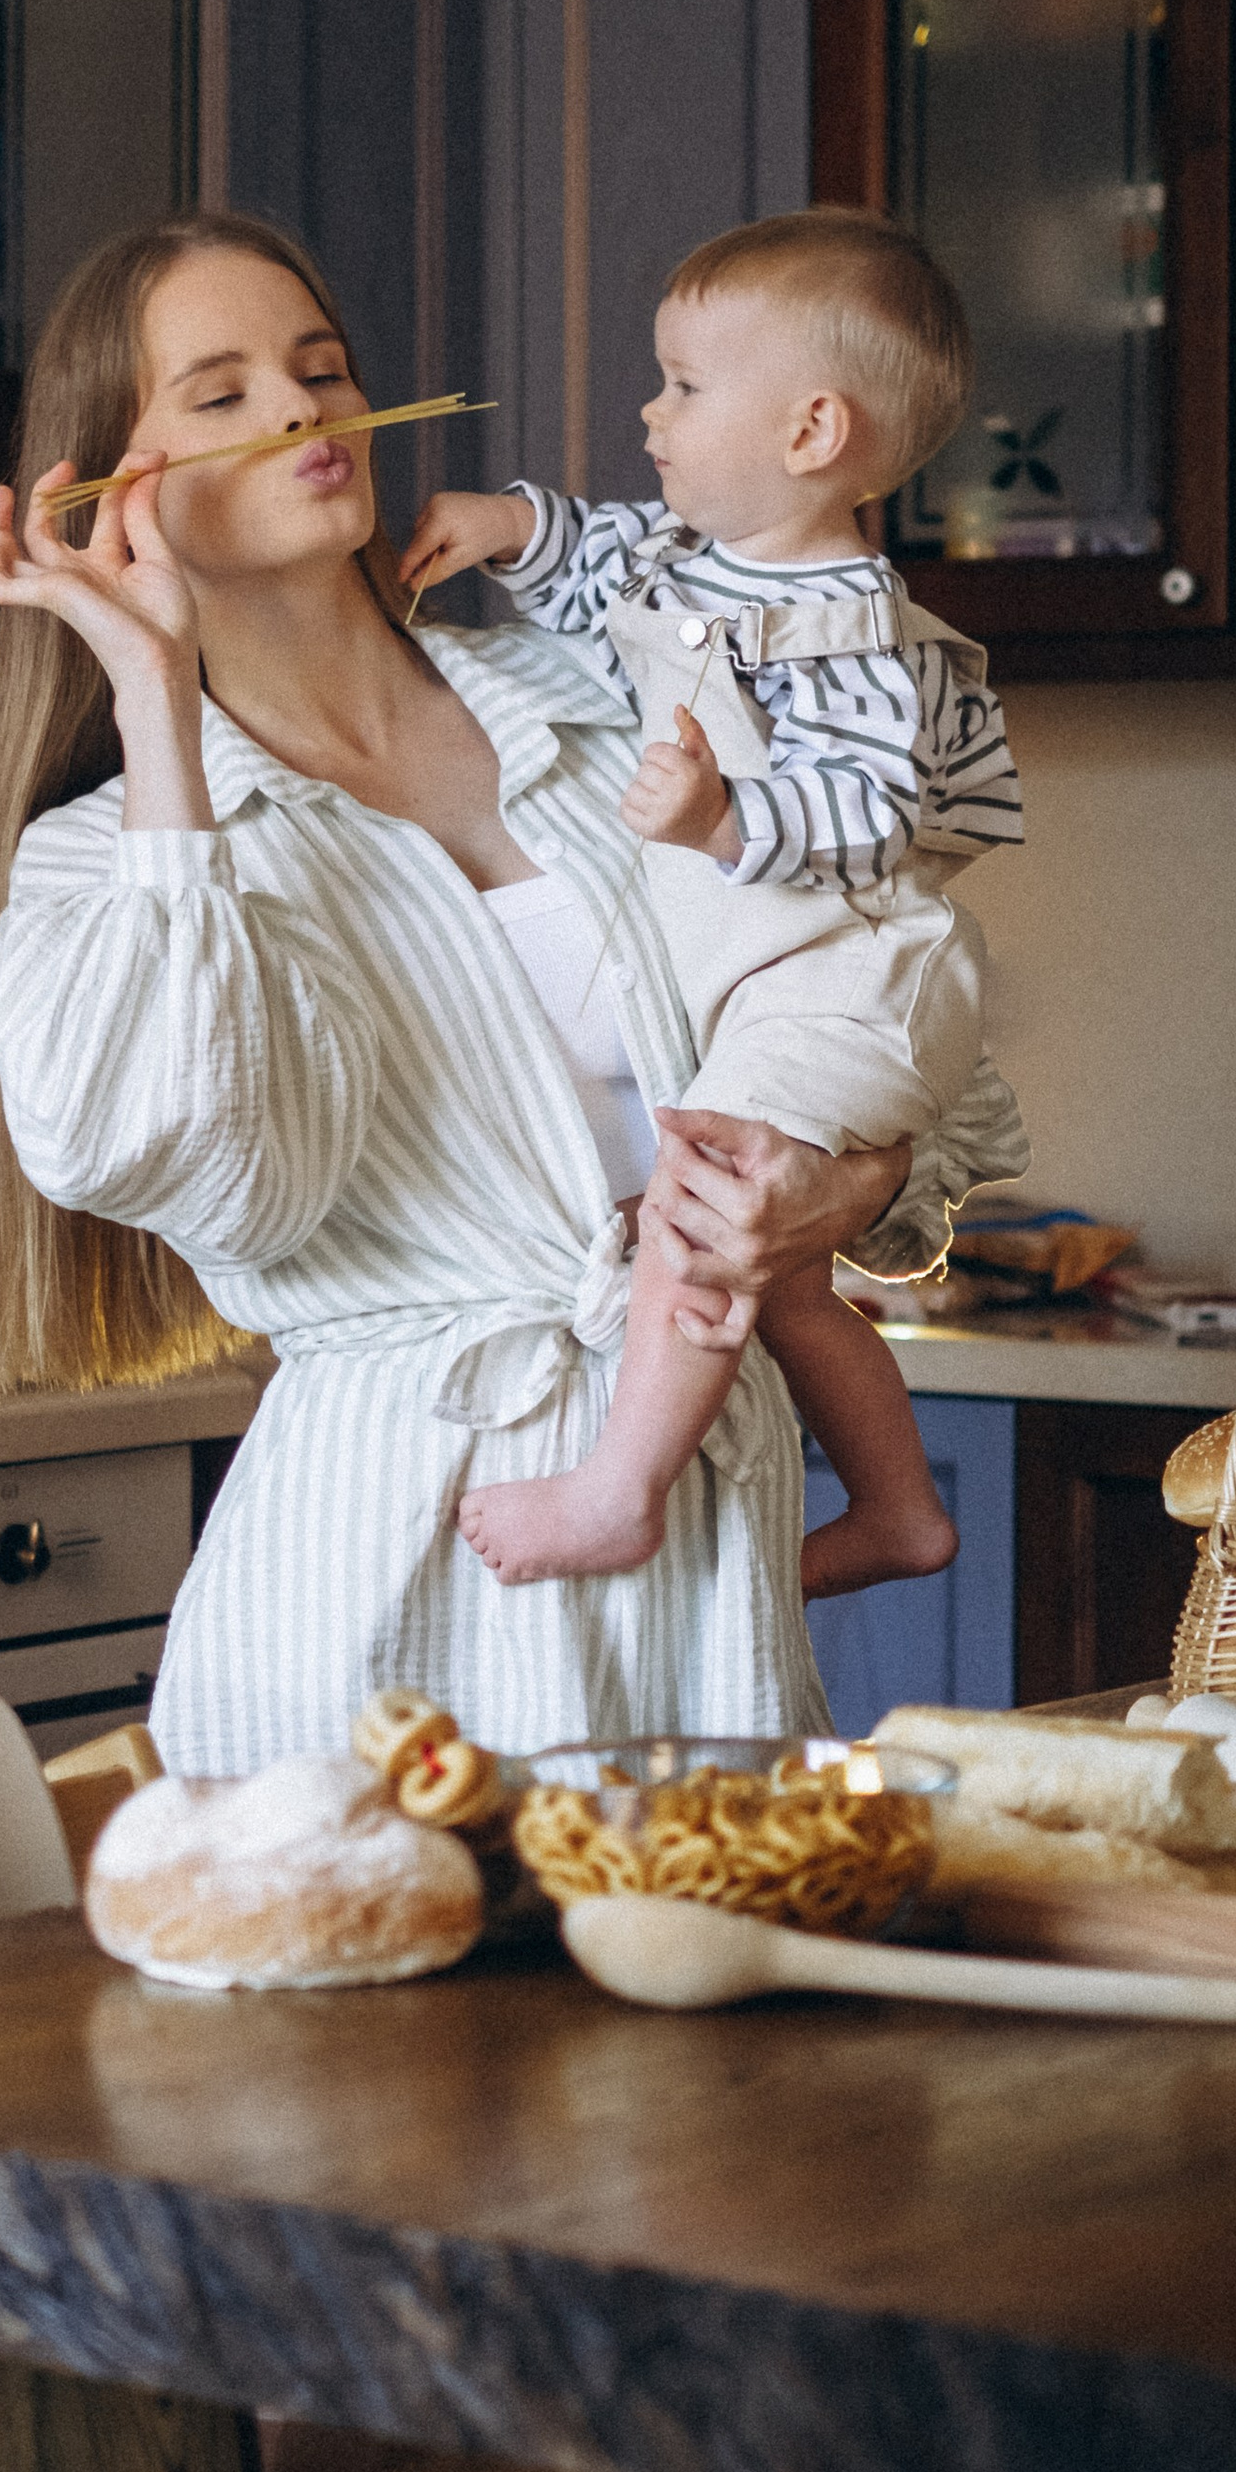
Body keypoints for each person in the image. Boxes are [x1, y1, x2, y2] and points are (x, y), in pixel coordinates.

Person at [0, 205, 1016, 2472]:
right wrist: (157, 712)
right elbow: (175, 1151)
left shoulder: (570, 686)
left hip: (664, 1540)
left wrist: (839, 1182)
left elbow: (871, 999)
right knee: (306, 2288)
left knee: (595, 2264)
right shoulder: (111, 845)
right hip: (394, 1554)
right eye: (221, 386)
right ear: (112, 483)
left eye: (316, 356)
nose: (311, 403)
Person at [400, 207, 1028, 1594]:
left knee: (694, 1213)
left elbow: (871, 812)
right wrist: (506, 526)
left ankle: (619, 1492)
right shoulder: (695, 558)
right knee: (787, 1279)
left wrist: (723, 819)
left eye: (685, 386)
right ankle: (901, 1509)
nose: (650, 412)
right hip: (777, 981)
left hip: (849, 972)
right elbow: (598, 559)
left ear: (810, 432)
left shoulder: (852, 628)